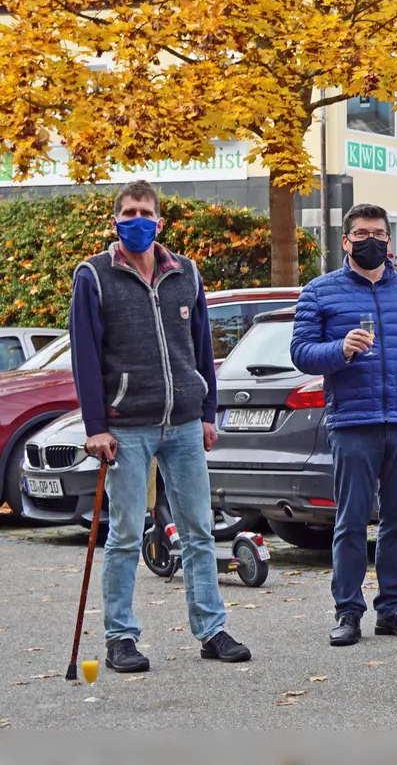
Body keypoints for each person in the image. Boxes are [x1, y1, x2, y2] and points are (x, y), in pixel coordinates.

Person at [68, 179, 251, 672]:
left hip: (186, 424)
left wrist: (207, 412)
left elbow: (201, 349)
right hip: (126, 426)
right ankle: (120, 638)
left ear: (160, 221)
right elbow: (85, 357)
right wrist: (95, 426)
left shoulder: (186, 273)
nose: (137, 219)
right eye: (128, 212)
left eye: (145, 211)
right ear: (115, 221)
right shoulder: (94, 276)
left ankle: (212, 630)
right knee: (126, 534)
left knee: (197, 531)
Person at [291, 203, 397, 647]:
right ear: (345, 241)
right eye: (361, 233)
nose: (371, 240)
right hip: (352, 420)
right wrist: (340, 350)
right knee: (350, 521)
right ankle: (347, 611)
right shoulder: (319, 291)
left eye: (379, 233)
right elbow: (301, 352)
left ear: (389, 240)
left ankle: (392, 608)